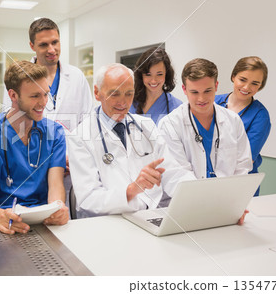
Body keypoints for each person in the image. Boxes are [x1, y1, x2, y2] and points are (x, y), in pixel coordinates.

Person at [67, 63, 196, 218]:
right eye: (114, 94)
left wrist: (198, 194)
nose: (123, 102)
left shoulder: (146, 126)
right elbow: (88, 199)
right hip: (105, 223)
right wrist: (131, 190)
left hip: (148, 217)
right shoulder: (80, 136)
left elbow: (173, 172)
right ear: (97, 92)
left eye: (129, 94)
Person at [0, 61, 69, 233]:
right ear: (13, 95)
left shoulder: (55, 132)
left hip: (39, 222)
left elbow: (56, 185)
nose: (43, 102)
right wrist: (2, 217)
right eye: (35, 96)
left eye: (46, 94)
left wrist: (58, 209)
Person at [159, 58, 252, 179]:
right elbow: (177, 173)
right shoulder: (170, 124)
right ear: (184, 89)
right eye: (194, 92)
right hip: (189, 195)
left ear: (216, 86)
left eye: (207, 91)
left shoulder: (233, 121)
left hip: (227, 194)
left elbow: (242, 166)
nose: (201, 99)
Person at [3, 18, 93, 132]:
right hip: (31, 147)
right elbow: (11, 117)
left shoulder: (77, 76)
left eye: (55, 42)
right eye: (44, 45)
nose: (51, 50)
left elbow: (87, 118)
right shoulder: (18, 78)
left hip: (70, 147)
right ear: (32, 46)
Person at [215, 56, 270, 196]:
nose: (246, 87)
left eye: (254, 83)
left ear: (260, 86)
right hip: (208, 180)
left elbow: (246, 159)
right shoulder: (213, 102)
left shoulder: (260, 115)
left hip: (241, 185)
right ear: (233, 76)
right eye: (243, 80)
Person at [130, 47, 182, 124]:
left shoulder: (177, 107)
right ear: (141, 75)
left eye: (159, 74)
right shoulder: (129, 102)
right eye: (148, 74)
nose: (153, 81)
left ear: (166, 74)